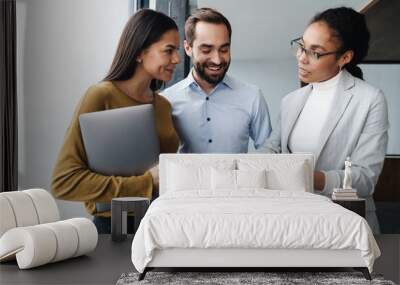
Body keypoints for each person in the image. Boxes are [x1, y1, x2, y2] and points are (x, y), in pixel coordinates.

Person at [51, 9, 180, 233]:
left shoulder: (164, 106)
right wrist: (145, 183)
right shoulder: (100, 96)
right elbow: (65, 181)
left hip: (160, 225)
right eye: (169, 51)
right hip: (114, 229)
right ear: (140, 52)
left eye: (177, 51)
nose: (177, 59)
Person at [261, 7, 389, 233]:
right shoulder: (291, 101)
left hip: (347, 224)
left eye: (315, 53)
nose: (301, 58)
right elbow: (272, 149)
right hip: (294, 223)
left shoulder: (370, 99)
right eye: (301, 46)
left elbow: (364, 179)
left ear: (345, 57)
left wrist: (307, 177)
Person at [161, 8, 271, 153]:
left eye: (224, 49)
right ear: (188, 48)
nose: (217, 60)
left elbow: (269, 151)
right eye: (206, 50)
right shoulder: (166, 101)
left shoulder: (252, 96)